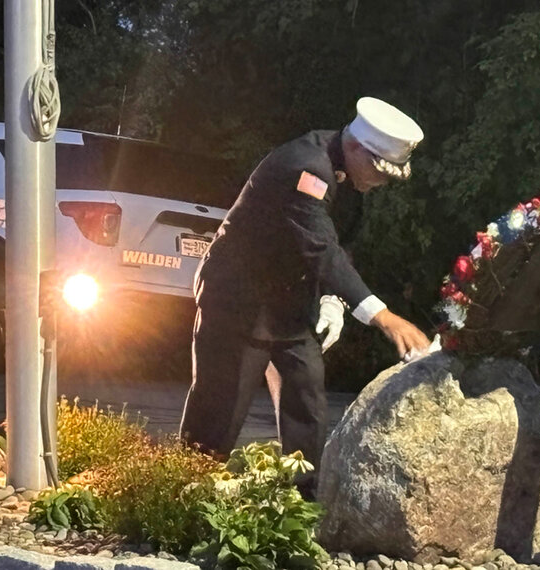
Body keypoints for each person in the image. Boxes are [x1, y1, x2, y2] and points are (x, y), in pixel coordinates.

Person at [179, 97, 431, 498]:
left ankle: (299, 504)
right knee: (219, 411)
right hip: (239, 302)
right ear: (355, 148)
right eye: (380, 172)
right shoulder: (306, 167)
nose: (381, 183)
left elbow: (340, 242)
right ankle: (178, 499)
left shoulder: (352, 176)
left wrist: (332, 301)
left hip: (293, 305)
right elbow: (320, 250)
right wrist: (383, 317)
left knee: (308, 402)